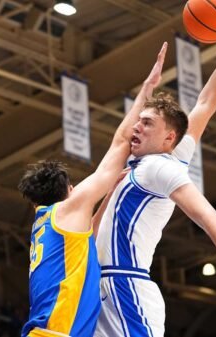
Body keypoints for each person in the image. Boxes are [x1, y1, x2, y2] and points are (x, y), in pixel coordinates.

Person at [92, 4, 216, 337]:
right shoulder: (157, 157)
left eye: (146, 123)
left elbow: (208, 217)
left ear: (169, 137)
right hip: (101, 286)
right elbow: (205, 104)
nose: (135, 127)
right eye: (138, 120)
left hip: (124, 286)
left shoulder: (159, 167)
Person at [17, 43, 168, 337]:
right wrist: (147, 89)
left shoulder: (46, 222)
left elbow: (90, 235)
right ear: (70, 190)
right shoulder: (68, 209)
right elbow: (121, 143)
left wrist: (110, 194)